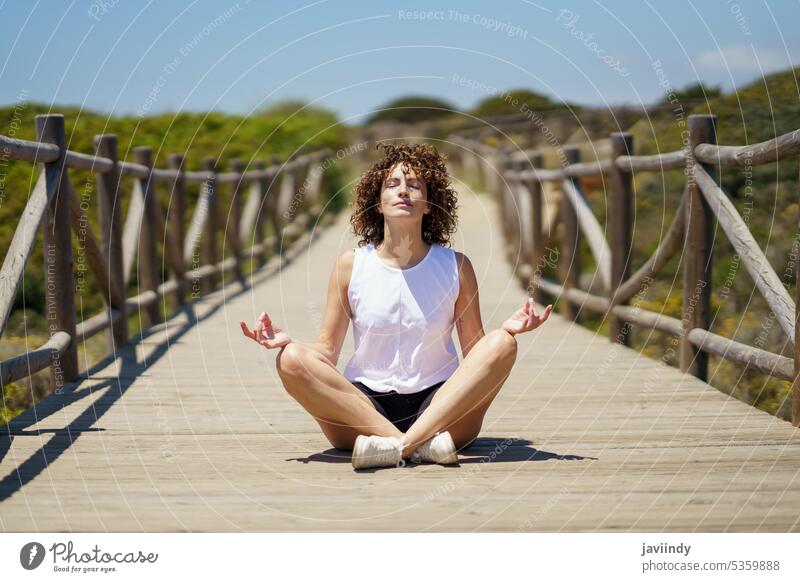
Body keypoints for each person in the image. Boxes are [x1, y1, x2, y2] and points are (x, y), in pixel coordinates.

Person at [239, 143, 552, 469]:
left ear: (429, 205)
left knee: (502, 343)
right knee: (290, 359)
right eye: (392, 185)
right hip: (363, 408)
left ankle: (394, 448)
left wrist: (507, 331)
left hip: (441, 406)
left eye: (415, 185)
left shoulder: (456, 266)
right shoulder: (350, 266)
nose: (404, 191)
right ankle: (417, 446)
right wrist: (287, 342)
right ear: (378, 203)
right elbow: (327, 350)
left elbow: (476, 352)